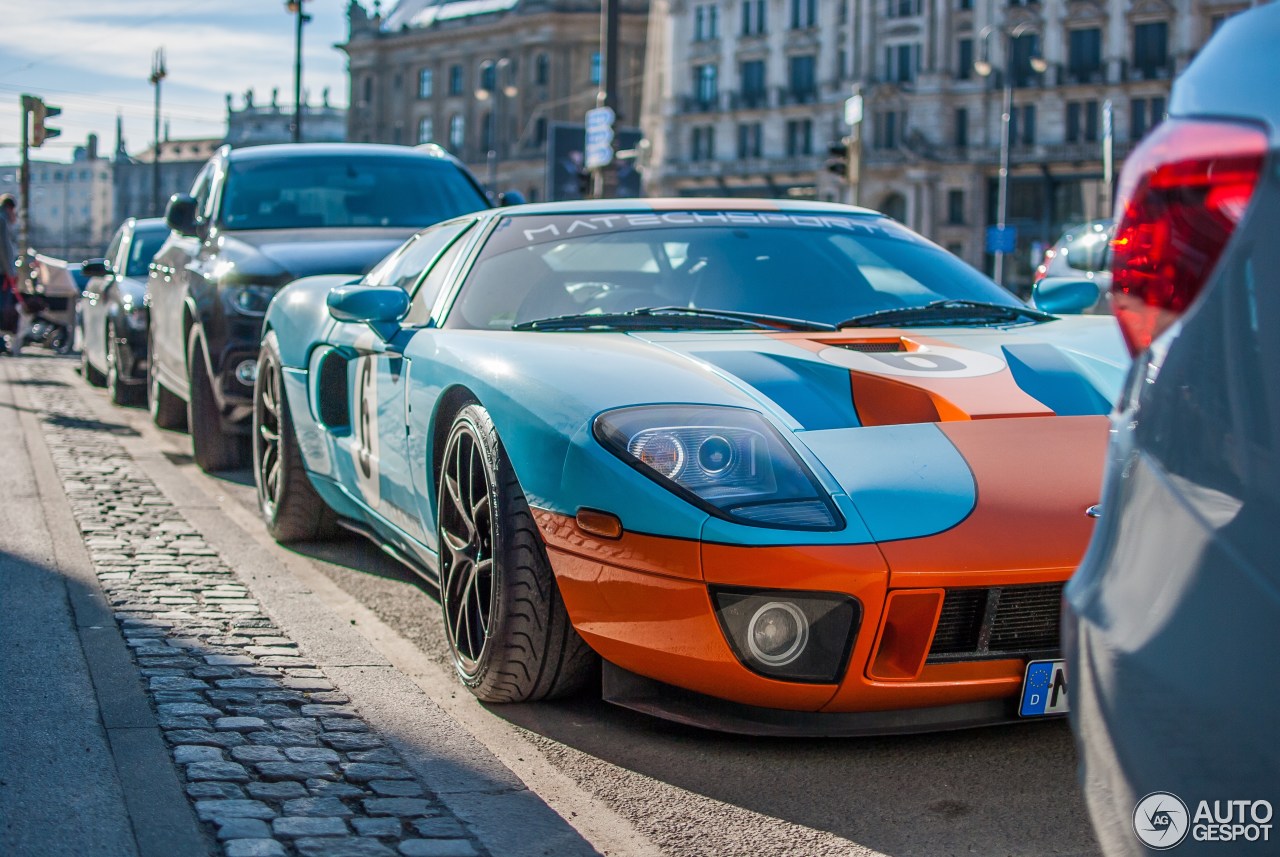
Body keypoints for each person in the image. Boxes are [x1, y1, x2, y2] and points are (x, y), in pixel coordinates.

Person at [0, 194, 18, 354]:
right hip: (1, 273)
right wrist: (10, 272)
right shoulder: (2, 221)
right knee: (2, 307)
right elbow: (4, 249)